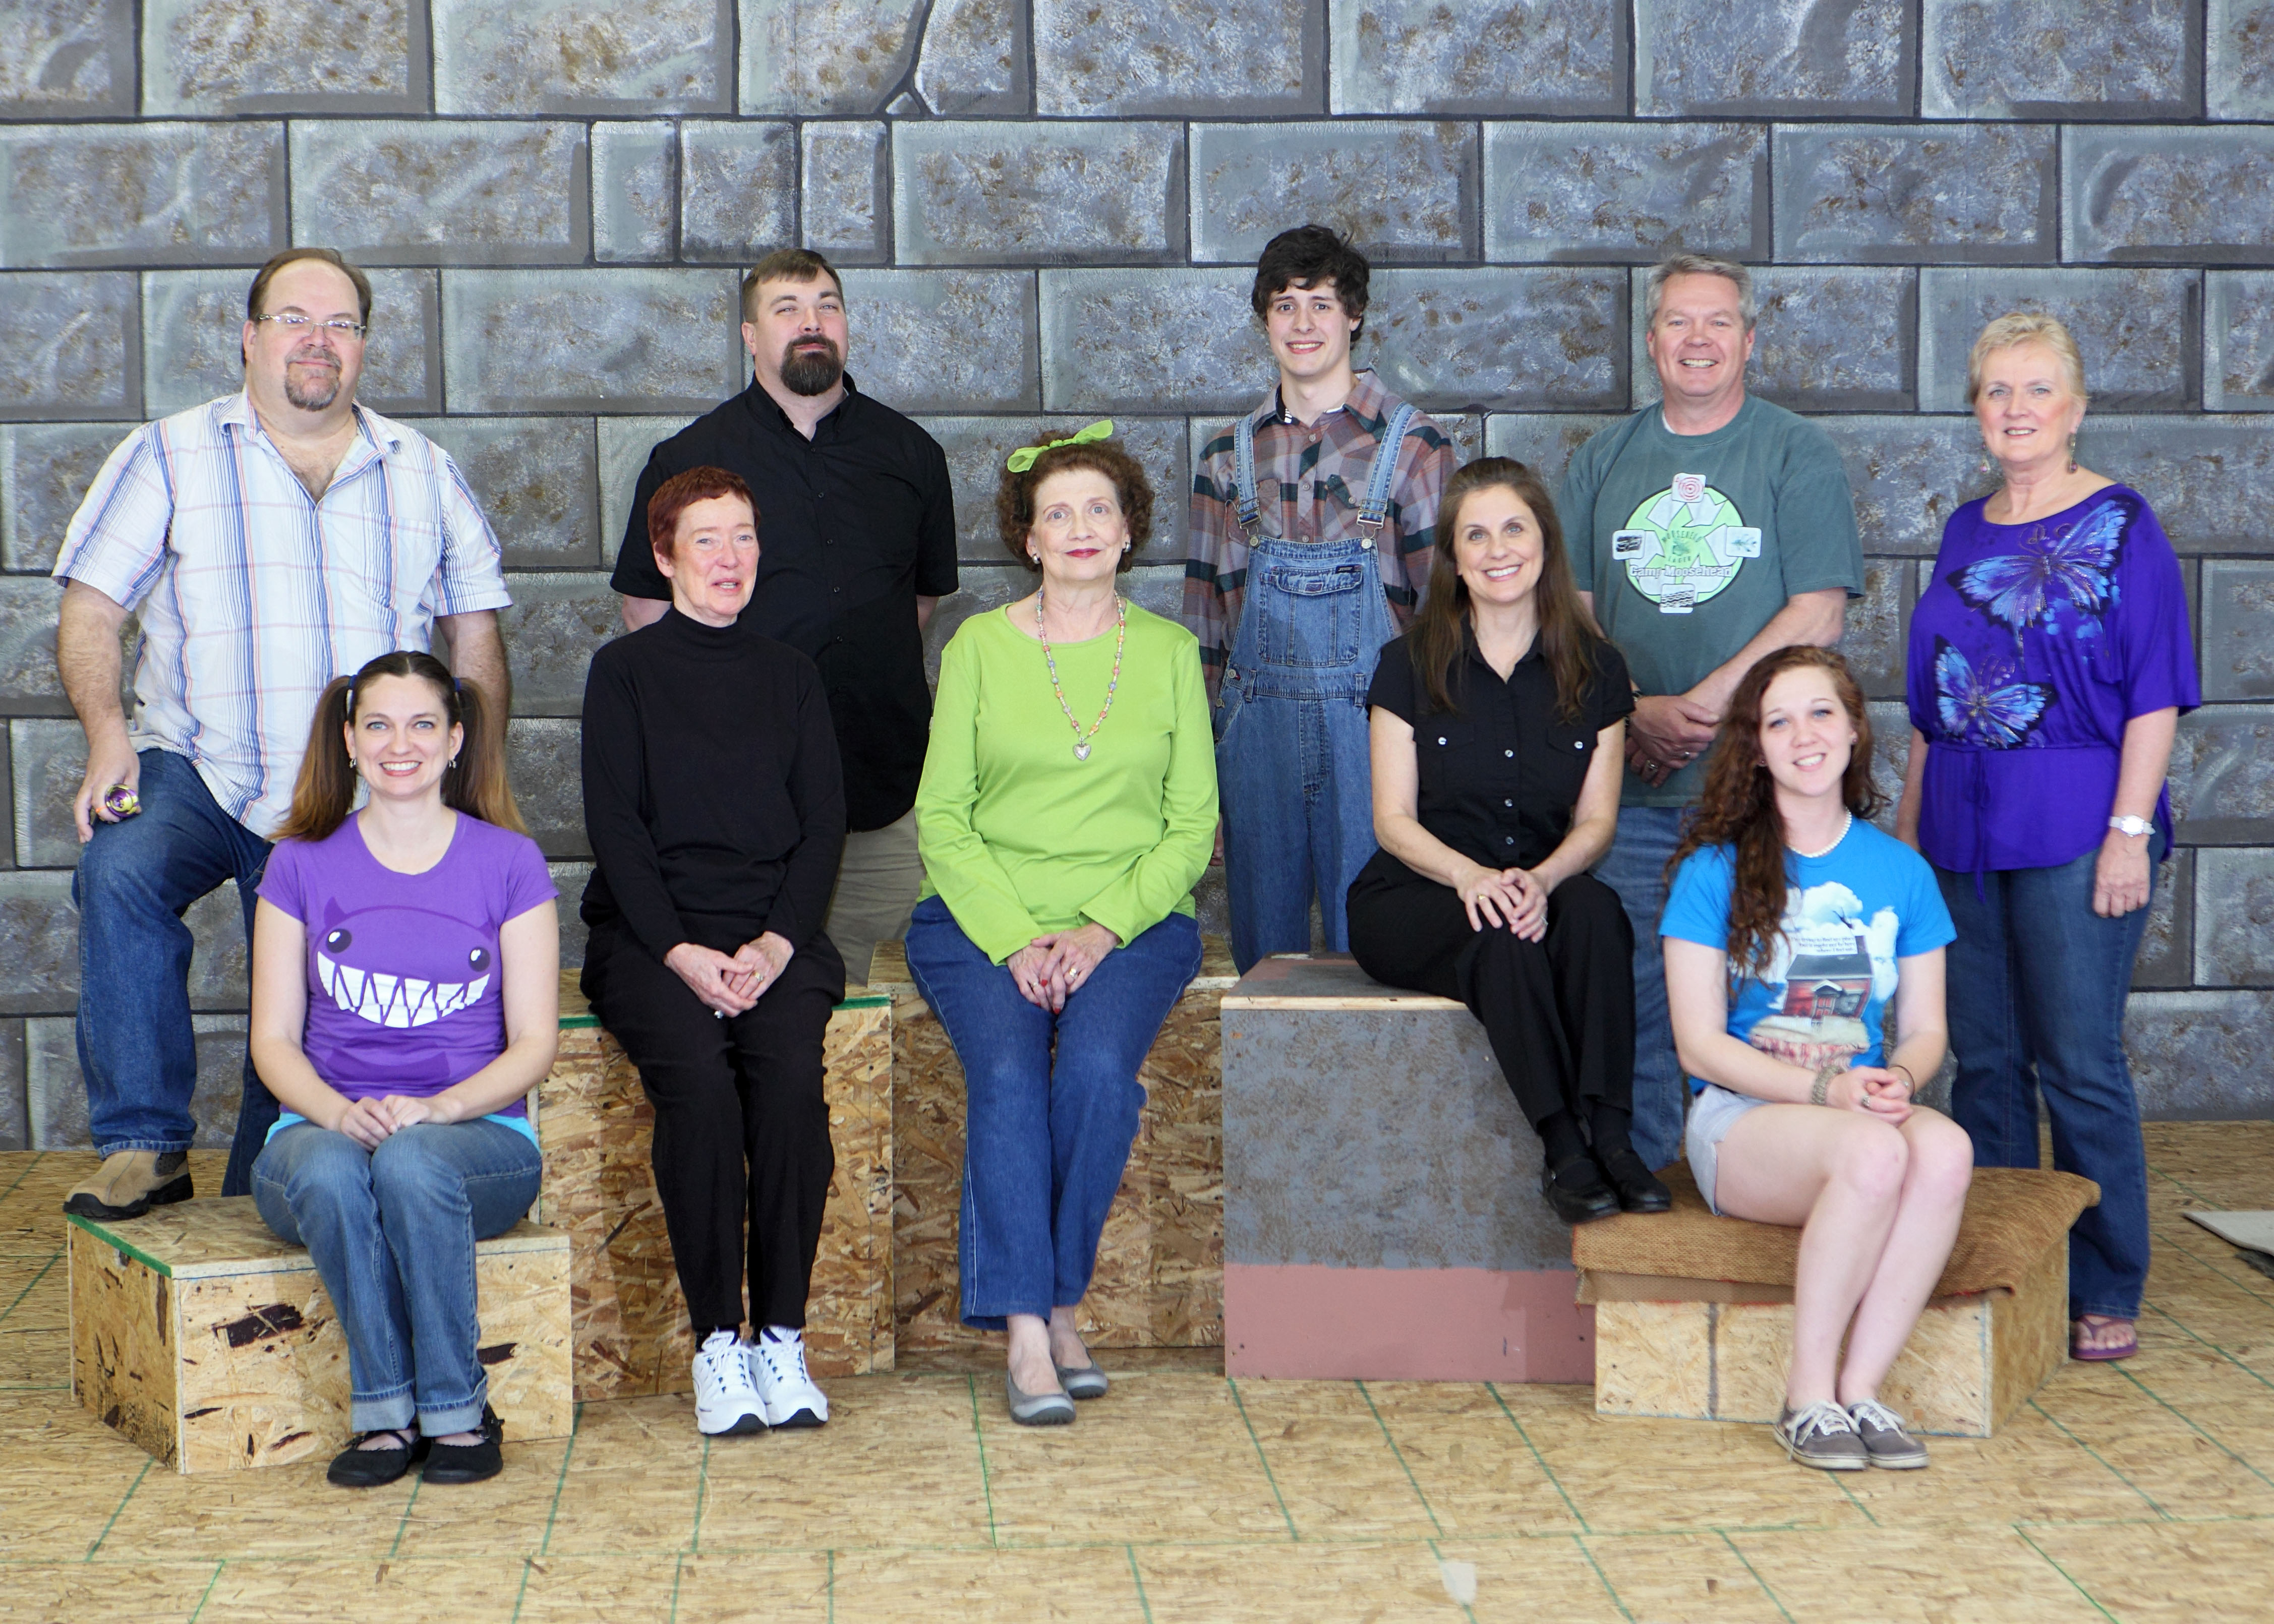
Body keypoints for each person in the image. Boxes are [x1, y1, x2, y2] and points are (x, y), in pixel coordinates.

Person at [53, 247, 512, 1218]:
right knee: (120, 869)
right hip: (196, 765)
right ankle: (143, 1144)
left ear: (363, 346)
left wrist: (472, 775)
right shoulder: (168, 452)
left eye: (342, 324)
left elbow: (473, 635)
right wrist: (107, 736)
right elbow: (92, 608)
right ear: (251, 336)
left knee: (316, 977)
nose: (319, 340)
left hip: (349, 790)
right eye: (295, 319)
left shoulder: (422, 471)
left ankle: (268, 1172)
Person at [1895, 313, 2197, 1364]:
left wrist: (2128, 833)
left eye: (2035, 390)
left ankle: (2104, 1278)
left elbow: (2153, 693)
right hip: (1957, 829)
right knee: (1981, 1063)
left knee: (2076, 1062)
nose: (2014, 409)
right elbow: (1932, 705)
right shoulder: (1962, 529)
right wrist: (1904, 841)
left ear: (2074, 409)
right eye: (1995, 390)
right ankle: (2002, 1264)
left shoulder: (2122, 524)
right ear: (1975, 411)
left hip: (2076, 821)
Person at [907, 426, 1215, 1425]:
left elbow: (1190, 827)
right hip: (978, 922)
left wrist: (1096, 932)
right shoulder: (977, 648)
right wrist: (1014, 938)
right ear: (1028, 538)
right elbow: (943, 818)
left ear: (1127, 532)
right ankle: (1030, 1335)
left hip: (1132, 924)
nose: (1079, 528)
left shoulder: (1168, 653)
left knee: (1093, 1077)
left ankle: (1058, 1302)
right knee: (1006, 1077)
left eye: (1098, 510)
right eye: (1057, 513)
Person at [1559, 252, 1862, 1173]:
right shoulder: (1600, 460)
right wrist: (1634, 708)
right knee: (1637, 993)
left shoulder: (1794, 452)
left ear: (1749, 340)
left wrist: (1700, 707)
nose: (1698, 339)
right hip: (1631, 796)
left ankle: (1772, 1175)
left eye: (1718, 321)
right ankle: (1651, 1177)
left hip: (1761, 792)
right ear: (1651, 341)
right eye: (1678, 322)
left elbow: (1819, 610)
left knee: (1774, 993)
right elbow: (1566, 613)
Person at [247, 650, 556, 1489]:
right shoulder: (299, 862)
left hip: (476, 1140)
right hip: (318, 1132)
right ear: (349, 741)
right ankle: (385, 1414)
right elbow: (272, 1040)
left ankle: (458, 1410)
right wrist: (338, 1113)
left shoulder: (510, 861)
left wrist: (440, 1108)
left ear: (455, 739)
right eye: (378, 725)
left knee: (413, 1161)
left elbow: (535, 1041)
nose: (400, 744)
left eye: (423, 724)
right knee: (334, 1166)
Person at [581, 466, 847, 1438]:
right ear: (664, 556)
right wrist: (682, 952)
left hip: (775, 936)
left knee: (788, 1084)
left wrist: (774, 942)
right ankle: (715, 1345)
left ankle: (780, 1333)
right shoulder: (624, 673)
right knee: (698, 1079)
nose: (729, 557)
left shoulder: (792, 675)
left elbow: (823, 824)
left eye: (743, 536)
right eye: (706, 538)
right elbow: (616, 829)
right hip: (651, 938)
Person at [610, 248, 956, 985]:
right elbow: (646, 609)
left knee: (882, 1008)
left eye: (828, 305)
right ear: (749, 335)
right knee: (757, 1006)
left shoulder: (913, 454)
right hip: (739, 817)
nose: (811, 323)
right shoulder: (688, 460)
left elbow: (919, 605)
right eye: (787, 308)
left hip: (881, 795)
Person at [1663, 646, 1971, 1472]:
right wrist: (1827, 1087)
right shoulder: (1711, 870)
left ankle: (1860, 1390)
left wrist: (1899, 1079)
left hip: (1854, 1106)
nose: (1804, 735)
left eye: (1820, 712)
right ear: (1756, 748)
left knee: (1945, 1149)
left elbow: (1925, 1030)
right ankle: (1805, 1398)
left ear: (1854, 728)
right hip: (1742, 1120)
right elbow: (1698, 1045)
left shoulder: (1901, 871)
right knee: (1873, 1153)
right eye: (1779, 721)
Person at [1347, 458, 1667, 1222]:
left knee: (1596, 914)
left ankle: (1614, 1140)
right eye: (1476, 535)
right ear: (1454, 560)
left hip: (1540, 882)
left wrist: (1544, 880)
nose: (1498, 550)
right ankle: (1565, 1149)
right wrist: (1473, 878)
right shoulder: (1406, 665)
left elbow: (1596, 822)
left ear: (1545, 544)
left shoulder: (1598, 669)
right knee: (1502, 936)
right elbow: (1392, 821)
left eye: (1514, 529)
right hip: (1421, 894)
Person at [1187, 223, 1458, 971]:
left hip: (1378, 734)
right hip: (1255, 739)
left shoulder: (1415, 446)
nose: (1302, 323)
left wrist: (1444, 765)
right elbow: (1206, 624)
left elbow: (1445, 620)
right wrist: (1200, 776)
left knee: (1373, 945)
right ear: (1264, 321)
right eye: (1284, 306)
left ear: (1354, 316)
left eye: (1321, 304)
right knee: (1263, 962)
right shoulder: (1226, 457)